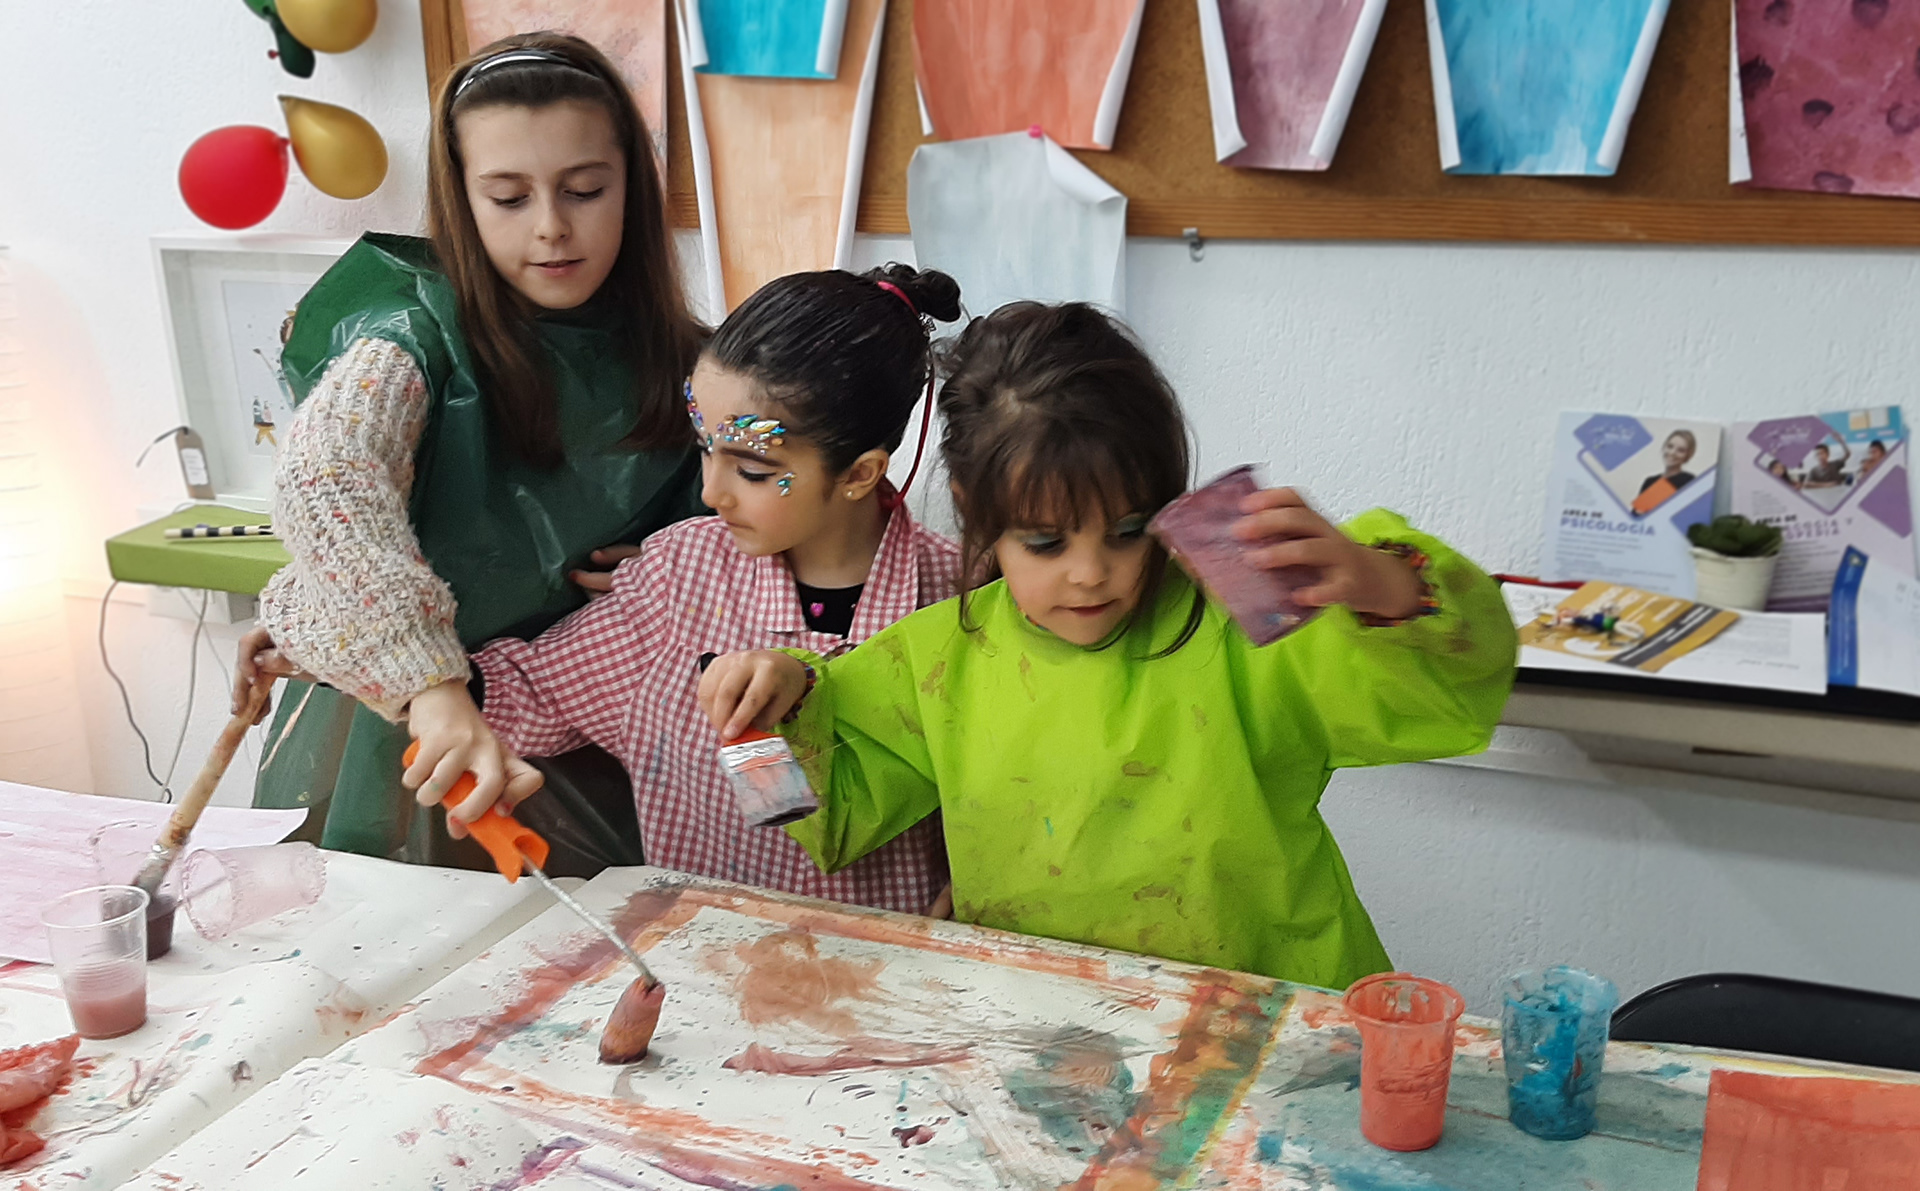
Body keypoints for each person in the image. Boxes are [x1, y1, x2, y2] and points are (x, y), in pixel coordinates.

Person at [698, 302, 1517, 988]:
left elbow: (1449, 699)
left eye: (1128, 531)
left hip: (1275, 1017)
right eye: (1046, 542)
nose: (1092, 575)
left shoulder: (1241, 617)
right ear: (973, 507)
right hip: (1055, 1033)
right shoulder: (939, 655)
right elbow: (826, 814)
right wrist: (777, 702)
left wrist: (1385, 586)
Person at [231, 32, 705, 870]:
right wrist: (428, 683)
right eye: (509, 198)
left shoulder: (694, 360)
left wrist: (676, 568)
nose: (554, 229)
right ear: (461, 201)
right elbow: (327, 481)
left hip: (593, 744)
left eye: (586, 190)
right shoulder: (407, 339)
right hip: (412, 745)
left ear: (632, 185)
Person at [462, 266, 963, 914]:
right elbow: (530, 692)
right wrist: (387, 663)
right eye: (705, 447)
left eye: (753, 469)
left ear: (860, 473)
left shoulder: (960, 606)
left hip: (895, 990)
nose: (710, 492)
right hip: (699, 975)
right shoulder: (683, 578)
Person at [1632, 429, 1696, 516]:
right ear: (1664, 447)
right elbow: (1635, 515)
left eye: (1680, 450)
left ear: (1688, 455)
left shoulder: (1689, 481)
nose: (1672, 452)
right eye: (1670, 446)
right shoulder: (1649, 481)